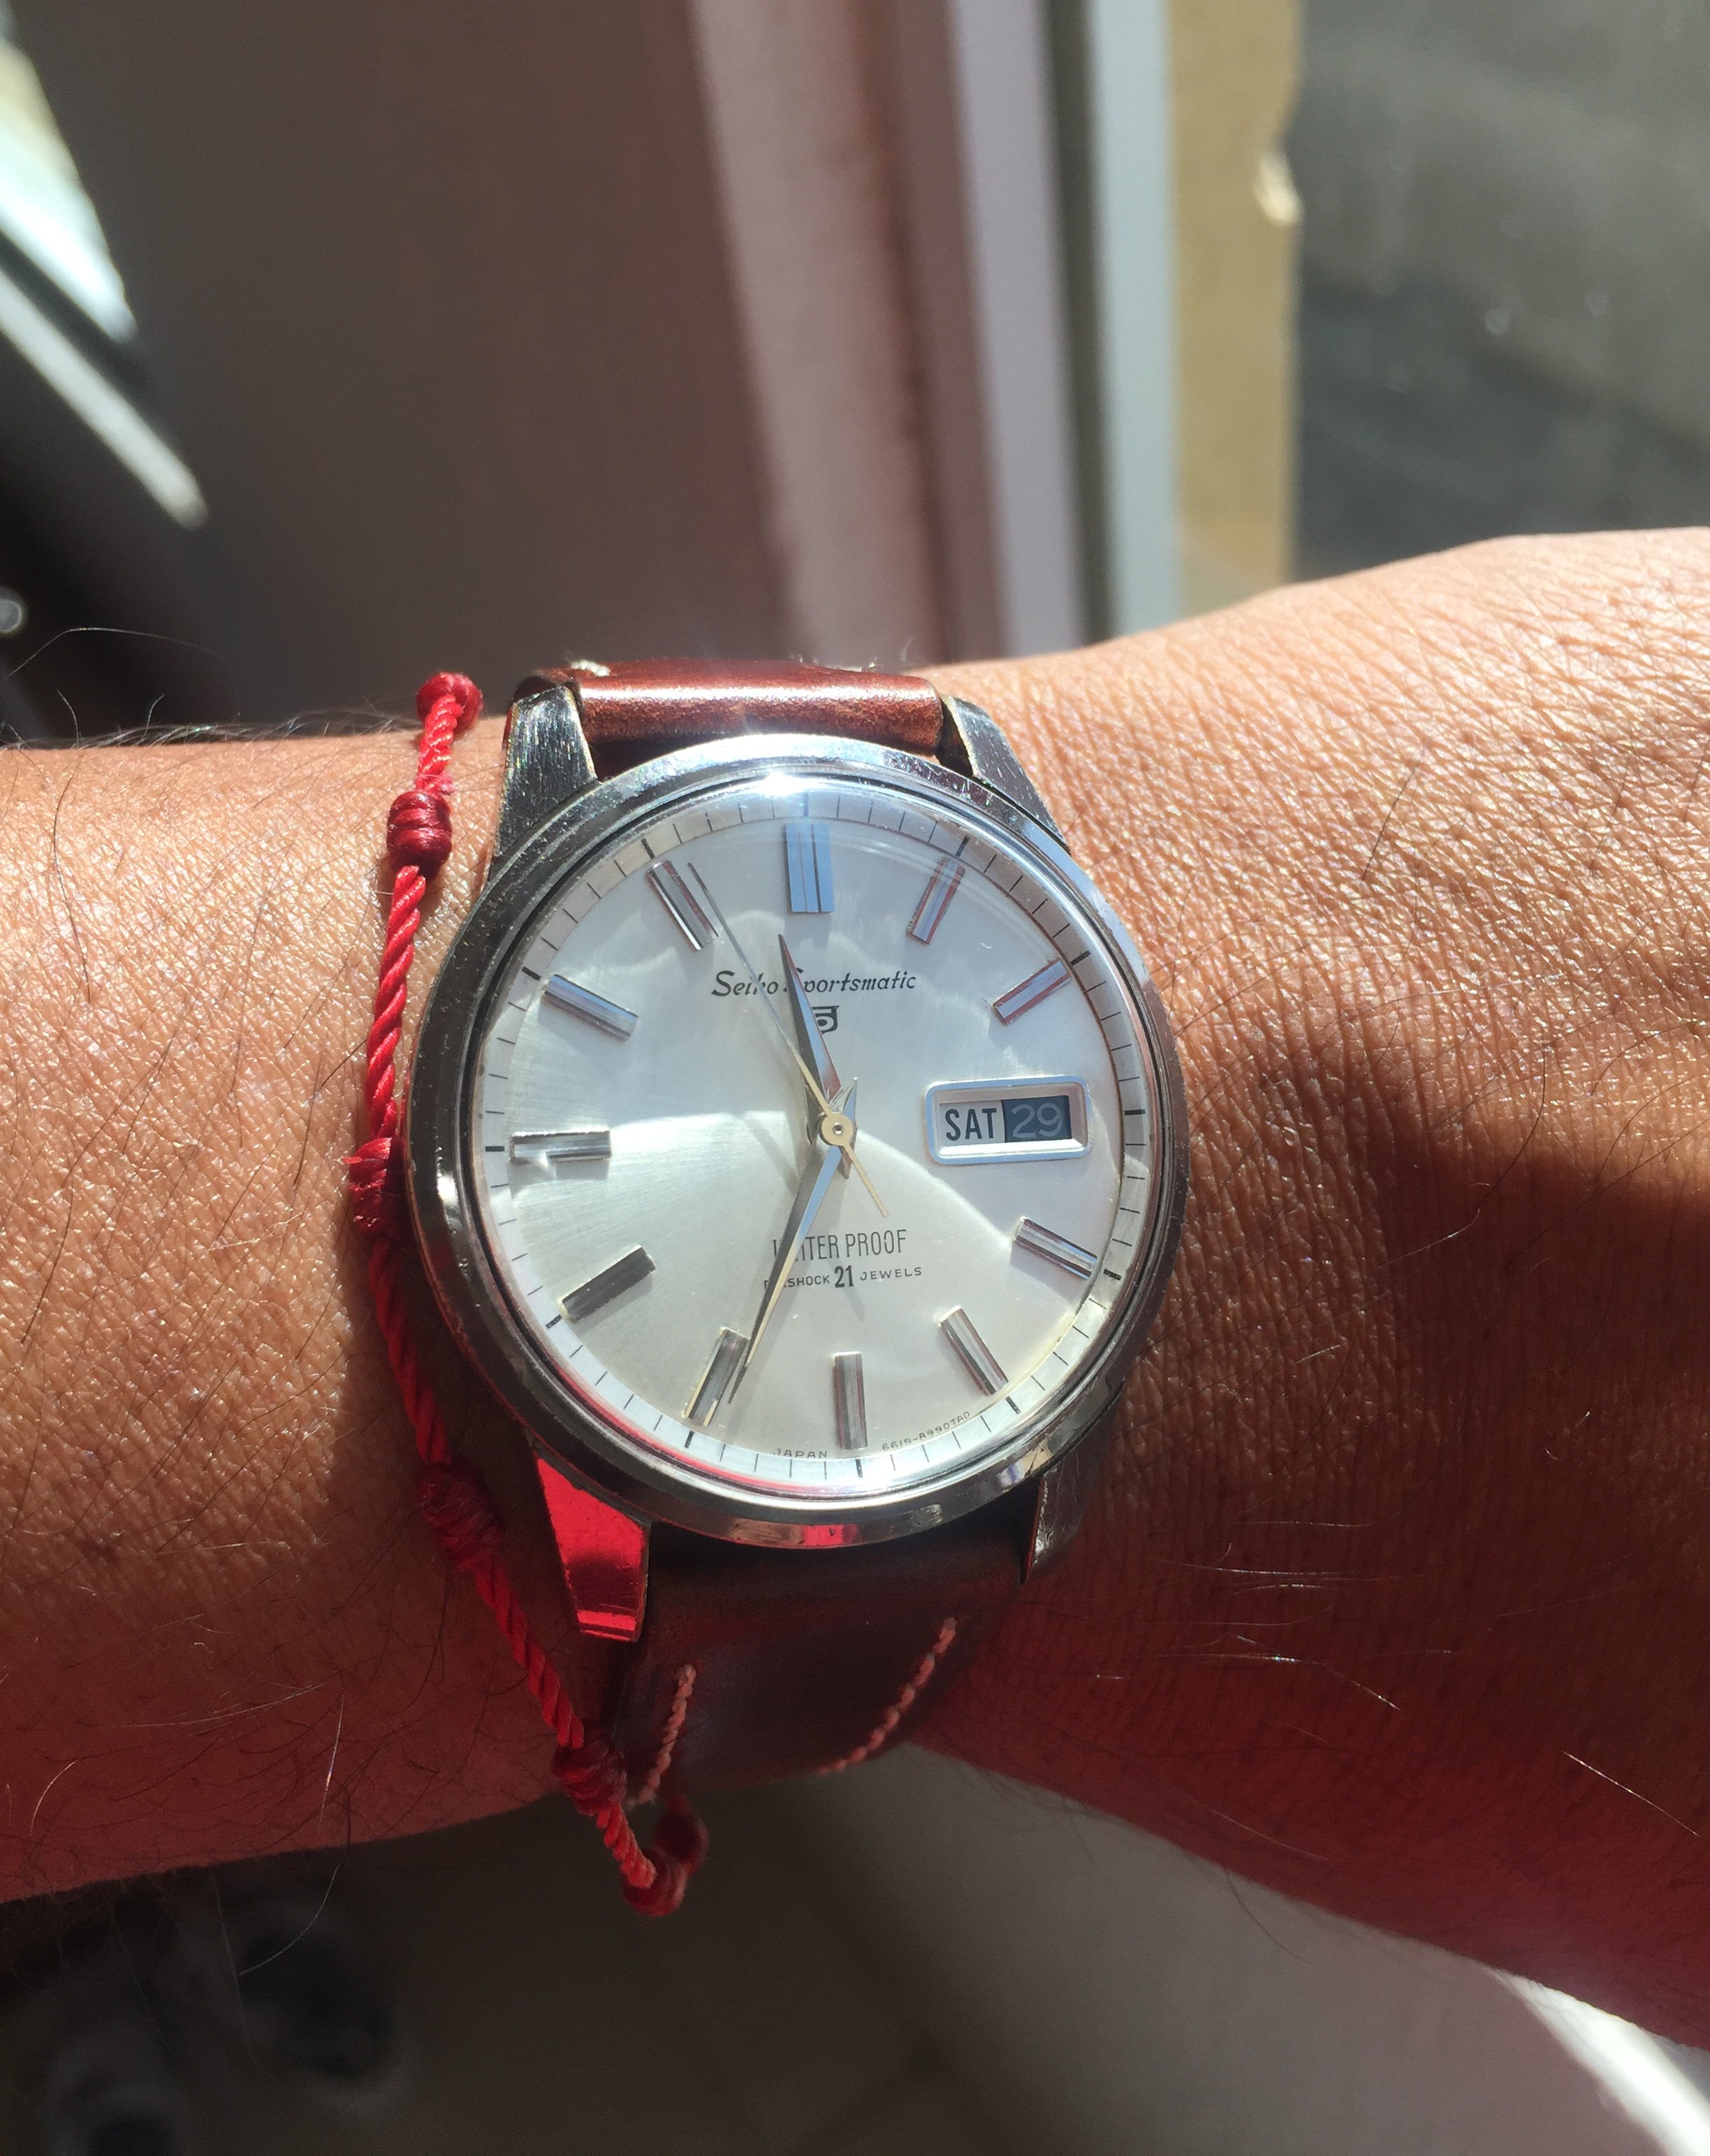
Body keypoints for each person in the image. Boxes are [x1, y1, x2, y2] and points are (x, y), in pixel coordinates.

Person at [3, 527, 1707, 2041]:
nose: (837, 1126)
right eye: (828, 1116)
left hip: (946, 1419)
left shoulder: (978, 871)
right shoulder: (491, 1122)